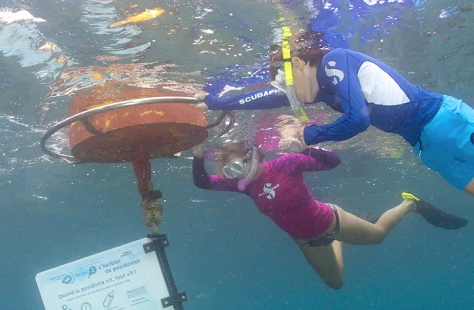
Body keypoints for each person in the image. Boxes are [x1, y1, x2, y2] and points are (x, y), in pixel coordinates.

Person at [199, 32, 474, 196]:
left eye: (286, 82)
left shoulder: (334, 60)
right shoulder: (322, 90)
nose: (288, 93)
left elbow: (358, 119)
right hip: (424, 144)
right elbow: (261, 99)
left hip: (443, 120)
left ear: (298, 62)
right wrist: (216, 103)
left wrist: (310, 134)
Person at [192, 140, 466, 290]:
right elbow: (203, 182)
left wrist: (306, 149)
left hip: (331, 218)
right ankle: (338, 241)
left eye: (238, 165)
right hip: (308, 241)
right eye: (229, 170)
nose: (236, 173)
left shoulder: (286, 164)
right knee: (336, 285)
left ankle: (410, 205)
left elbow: (333, 162)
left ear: (254, 156)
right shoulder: (243, 186)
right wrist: (197, 155)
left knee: (379, 236)